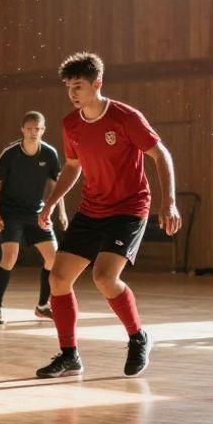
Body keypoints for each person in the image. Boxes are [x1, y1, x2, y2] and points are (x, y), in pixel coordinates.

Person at [33, 52, 180, 379]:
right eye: (68, 87)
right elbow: (72, 167)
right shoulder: (70, 123)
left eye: (79, 86)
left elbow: (161, 154)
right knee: (58, 278)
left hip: (128, 209)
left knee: (104, 277)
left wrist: (168, 201)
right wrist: (52, 202)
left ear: (97, 84)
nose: (73, 93)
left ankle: (138, 336)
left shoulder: (126, 118)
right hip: (91, 209)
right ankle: (69, 354)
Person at [0, 111, 68, 324]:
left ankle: (42, 306)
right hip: (10, 212)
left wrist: (60, 211)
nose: (33, 133)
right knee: (10, 257)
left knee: (53, 258)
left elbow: (55, 184)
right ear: (22, 130)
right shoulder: (10, 153)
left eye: (38, 129)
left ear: (43, 130)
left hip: (36, 211)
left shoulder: (49, 154)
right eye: (29, 129)